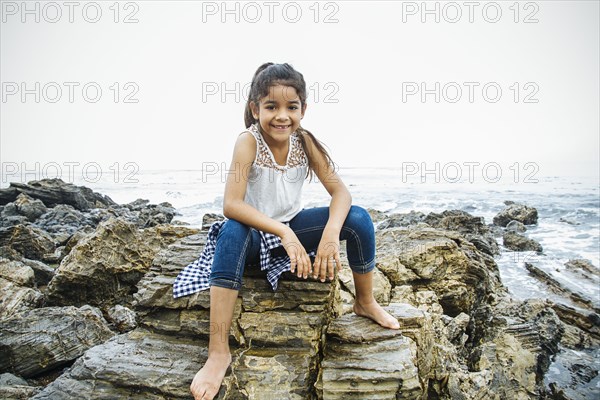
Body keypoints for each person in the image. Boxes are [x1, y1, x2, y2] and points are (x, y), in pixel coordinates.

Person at [172, 62, 400, 400]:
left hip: (290, 228)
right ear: (255, 109)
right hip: (252, 234)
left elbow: (341, 193)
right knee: (231, 231)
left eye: (291, 107)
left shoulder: (304, 141)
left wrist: (328, 234)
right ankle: (218, 352)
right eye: (271, 107)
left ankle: (365, 302)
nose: (282, 116)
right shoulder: (247, 142)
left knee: (360, 219)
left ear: (303, 109)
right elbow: (232, 204)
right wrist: (283, 232)